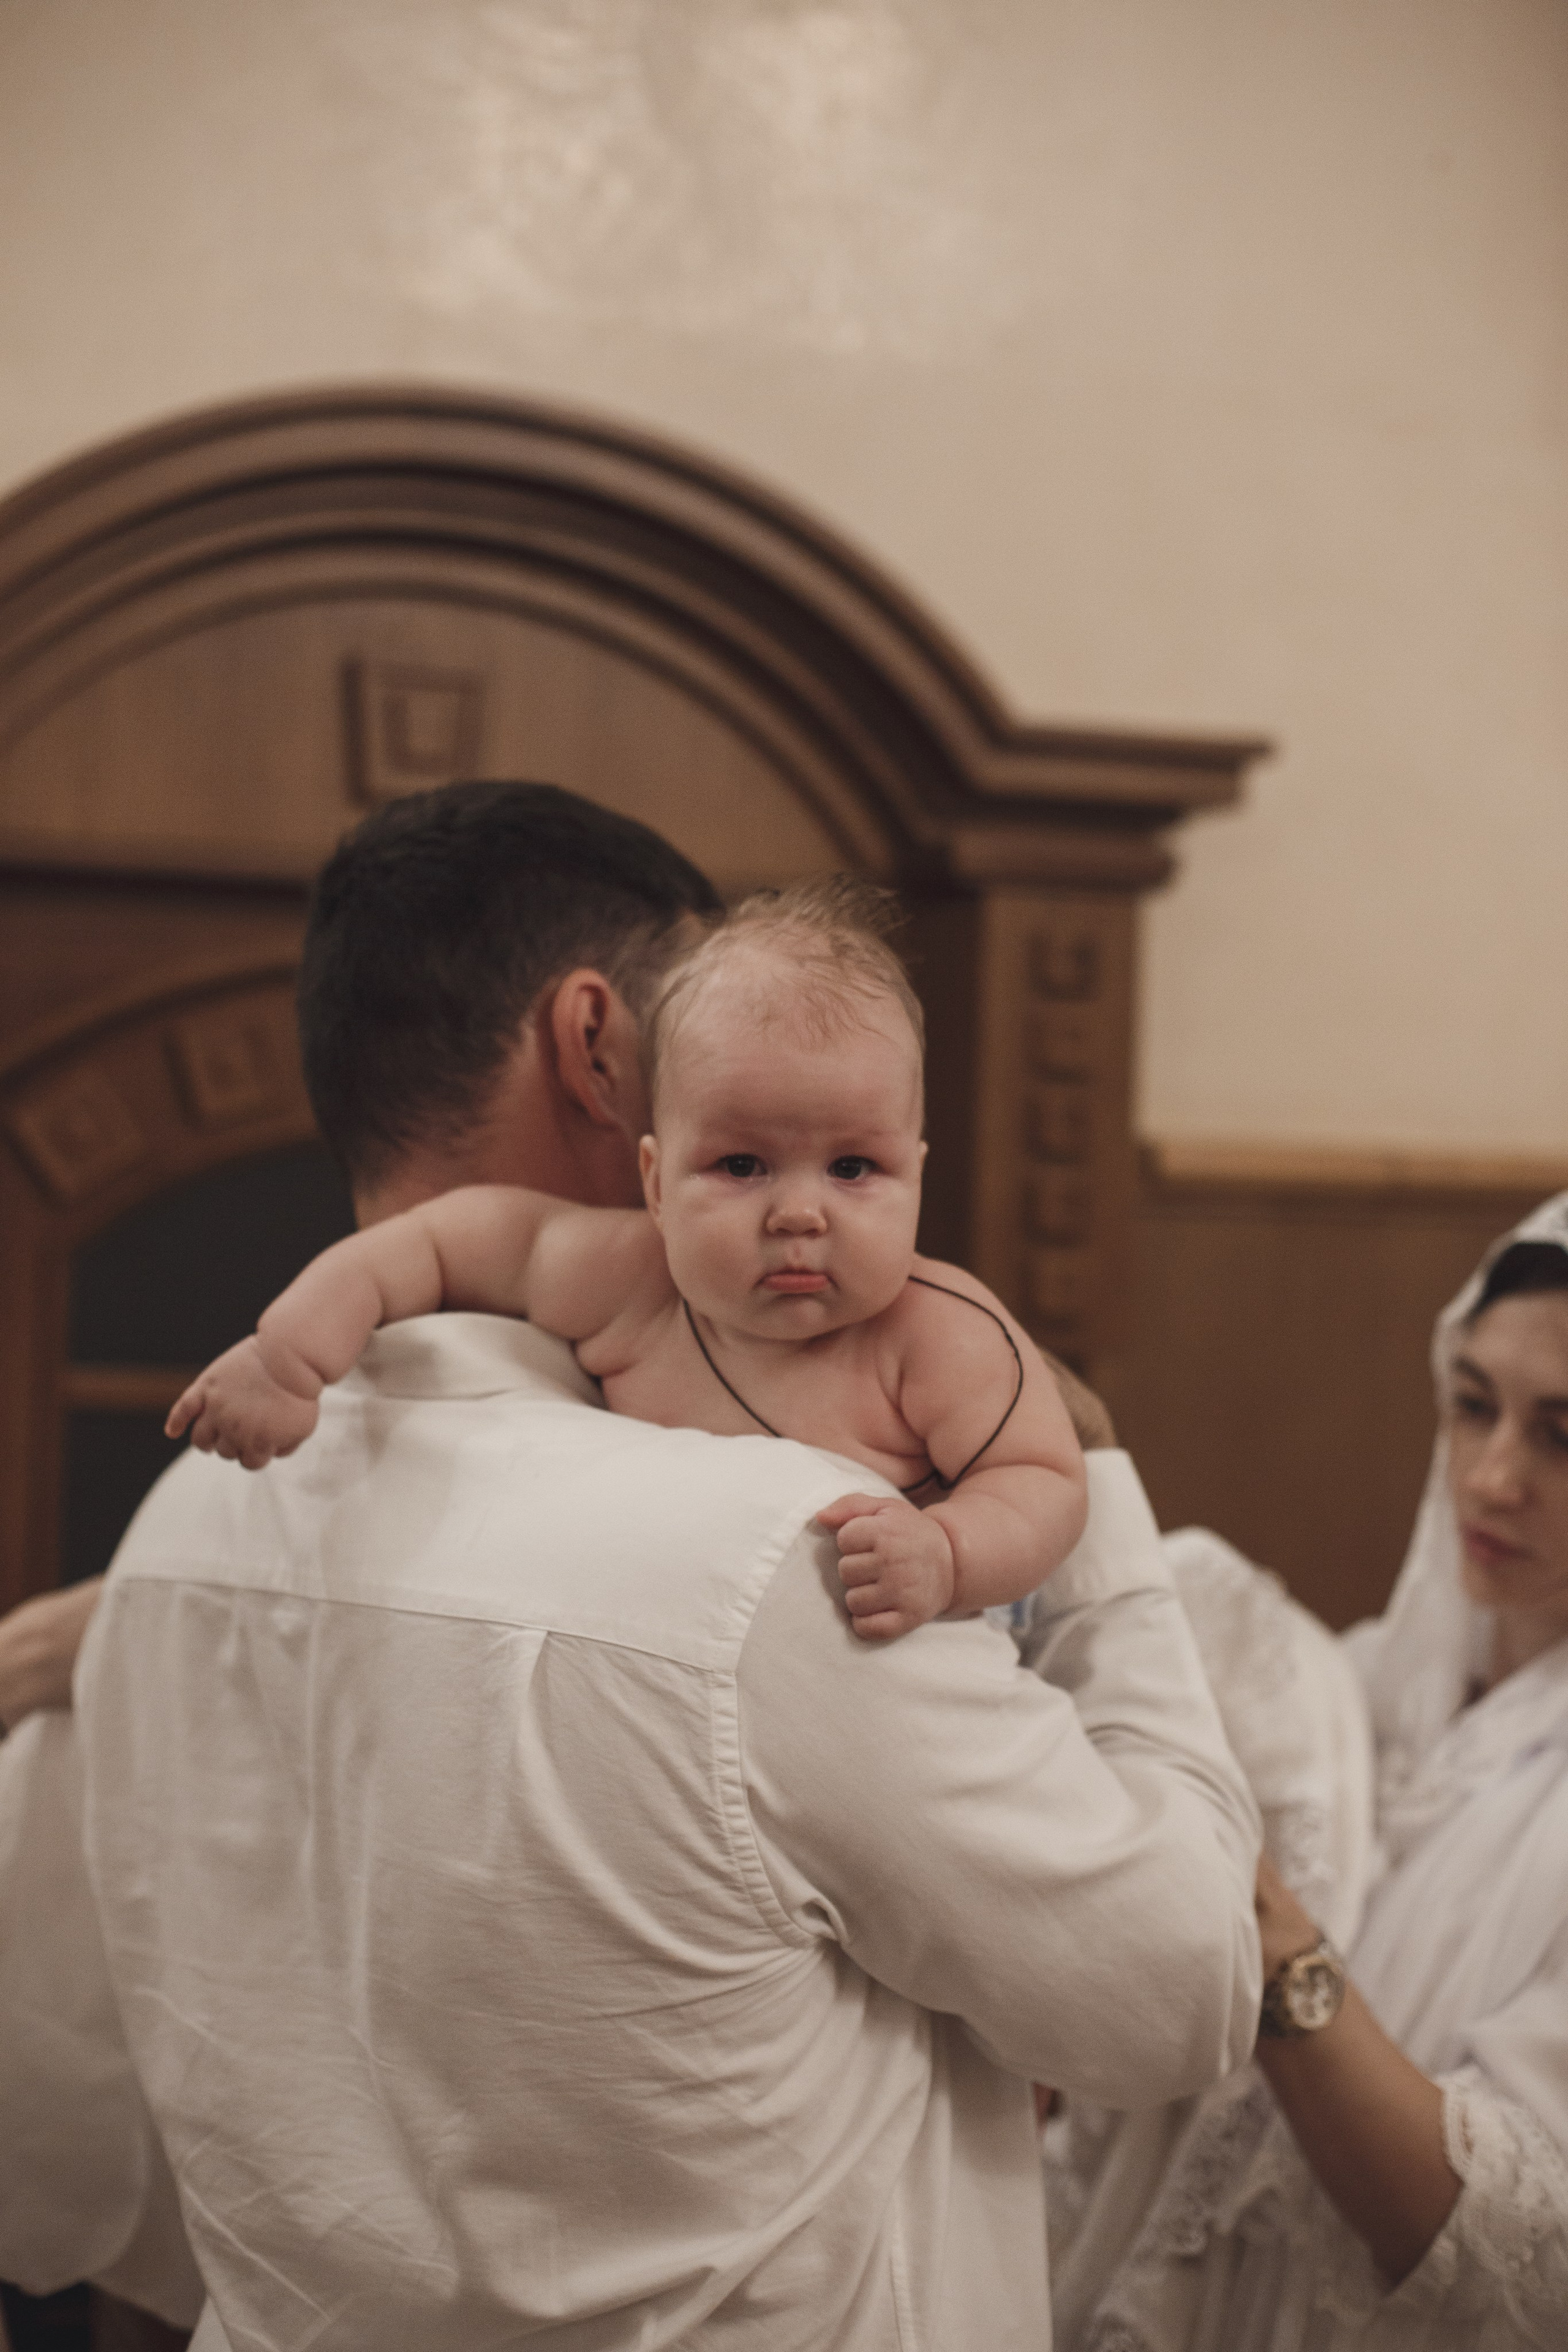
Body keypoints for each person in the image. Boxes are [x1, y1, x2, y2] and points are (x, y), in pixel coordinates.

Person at [0, 781, 1262, 2350]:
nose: (799, 1206)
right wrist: (1097, 1484)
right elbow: (1183, 1993)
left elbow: (95, 2181)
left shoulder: (176, 1539)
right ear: (603, 1049)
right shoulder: (779, 1565)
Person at [167, 880, 1088, 1642]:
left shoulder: (940, 1334)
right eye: (741, 1165)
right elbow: (432, 1243)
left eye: (855, 1168)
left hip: (964, 1632)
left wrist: (949, 1553)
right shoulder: (627, 1277)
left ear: (917, 1174)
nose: (799, 1213)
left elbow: (1043, 1481)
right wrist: (288, 1358)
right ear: (655, 1182)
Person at [1057, 1194, 1568, 2351]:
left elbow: (1506, 2250)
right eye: (1474, 1407)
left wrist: (1261, 1915)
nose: (1492, 1478)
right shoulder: (1350, 1684)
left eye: (1563, 1435)